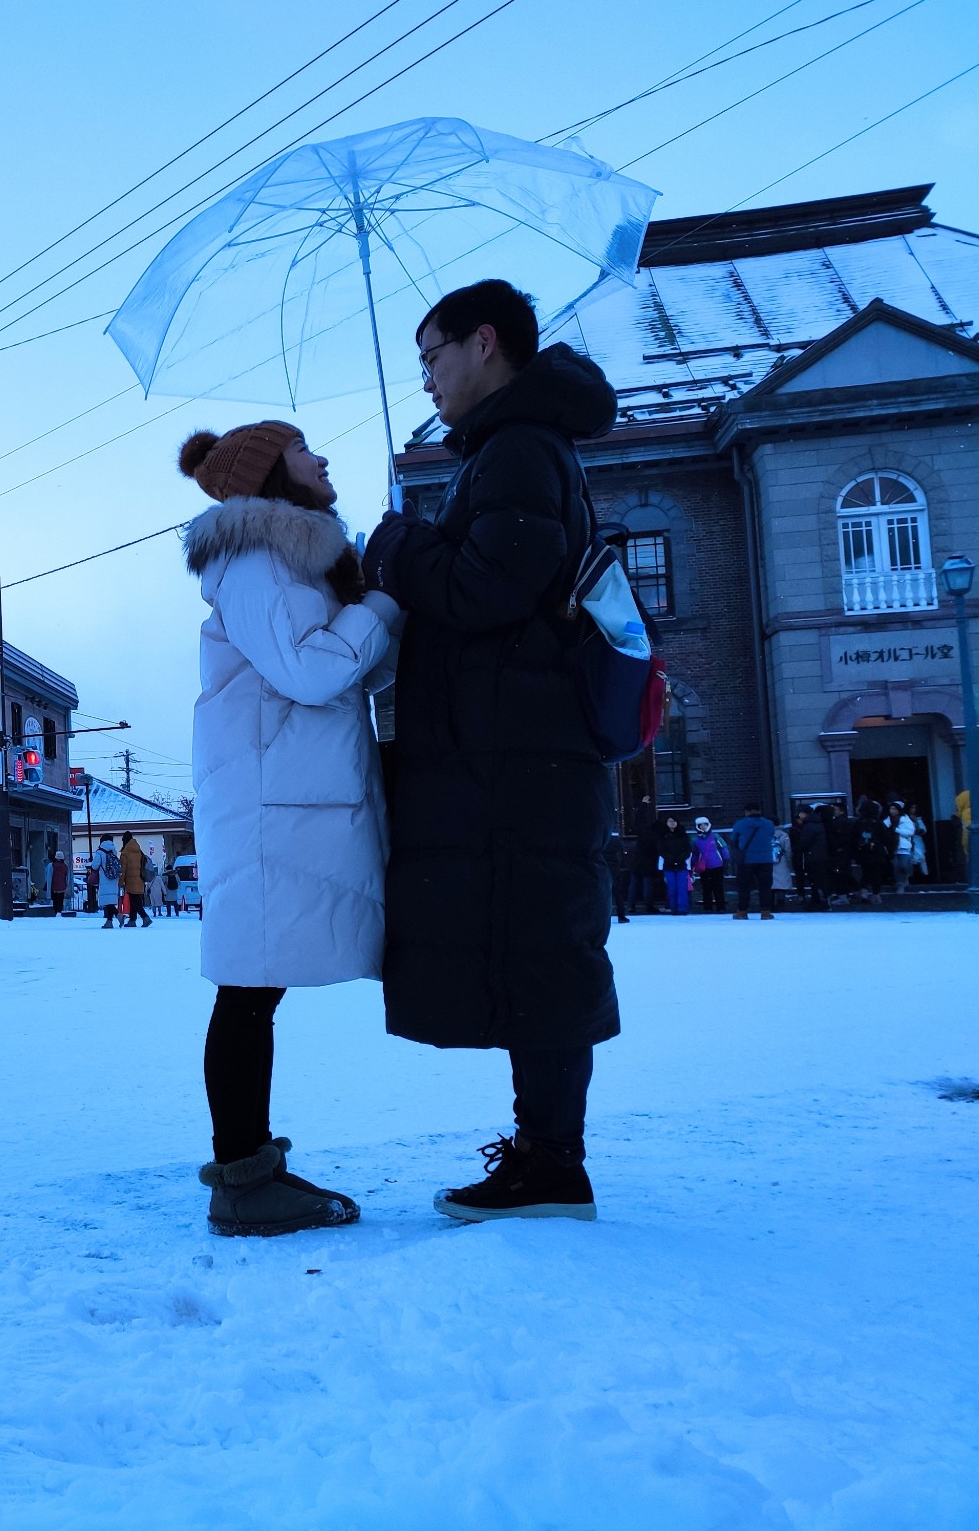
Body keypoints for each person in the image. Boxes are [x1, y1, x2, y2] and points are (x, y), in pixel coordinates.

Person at [361, 278, 619, 1222]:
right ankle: (545, 1151)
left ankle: (552, 1161)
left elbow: (488, 590)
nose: (425, 378)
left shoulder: (516, 448)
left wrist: (399, 547)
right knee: (530, 946)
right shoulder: (516, 445)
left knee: (540, 951)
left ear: (483, 343)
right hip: (520, 757)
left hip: (522, 763)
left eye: (431, 356)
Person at [181, 416, 397, 1235]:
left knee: (253, 993)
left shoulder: (290, 558)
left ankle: (248, 1171)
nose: (323, 457)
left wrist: (373, 598)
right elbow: (310, 670)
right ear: (272, 471)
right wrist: (377, 602)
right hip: (270, 807)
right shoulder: (253, 557)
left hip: (285, 797)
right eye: (305, 449)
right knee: (247, 992)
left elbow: (352, 668)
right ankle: (242, 1180)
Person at [728, 802, 777, 920]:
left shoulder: (740, 824)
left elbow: (733, 839)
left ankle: (742, 911)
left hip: (746, 860)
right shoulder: (769, 824)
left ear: (747, 812)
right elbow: (771, 835)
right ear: (759, 811)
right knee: (765, 885)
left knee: (744, 886)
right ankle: (765, 911)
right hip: (765, 859)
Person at [626, 792, 661, 914]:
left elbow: (639, 818)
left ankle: (631, 905)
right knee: (647, 883)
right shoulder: (656, 836)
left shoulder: (643, 831)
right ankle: (649, 905)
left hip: (638, 859)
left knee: (634, 883)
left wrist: (643, 805)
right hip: (650, 861)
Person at [690, 815, 729, 914]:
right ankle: (708, 907)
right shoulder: (695, 840)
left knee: (718, 886)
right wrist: (693, 864)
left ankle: (721, 906)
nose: (703, 826)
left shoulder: (715, 836)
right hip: (704, 867)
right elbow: (694, 853)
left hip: (717, 865)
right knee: (706, 887)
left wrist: (726, 859)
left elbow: (723, 847)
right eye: (700, 825)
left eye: (705, 824)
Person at [659, 814, 692, 914]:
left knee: (682, 887)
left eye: (674, 821)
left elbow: (687, 850)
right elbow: (661, 850)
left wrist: (679, 858)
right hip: (669, 865)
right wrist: (671, 859)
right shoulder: (663, 836)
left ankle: (682, 908)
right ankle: (673, 907)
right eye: (670, 821)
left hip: (681, 865)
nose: (672, 823)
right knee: (672, 888)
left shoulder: (683, 835)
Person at [121, 833, 153, 927]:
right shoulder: (138, 850)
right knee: (134, 899)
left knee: (135, 901)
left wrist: (120, 881)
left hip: (130, 879)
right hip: (140, 878)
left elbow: (123, 869)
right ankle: (132, 920)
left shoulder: (125, 852)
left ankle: (145, 917)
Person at [888, 803, 917, 892]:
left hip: (904, 847)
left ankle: (906, 878)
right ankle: (900, 884)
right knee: (896, 867)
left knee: (904, 865)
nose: (892, 811)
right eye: (891, 809)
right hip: (894, 847)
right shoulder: (888, 820)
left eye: (894, 809)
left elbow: (910, 832)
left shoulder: (905, 819)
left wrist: (896, 830)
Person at [98, 842, 121, 929]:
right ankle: (110, 921)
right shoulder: (113, 852)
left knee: (107, 902)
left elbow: (95, 865)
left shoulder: (100, 853)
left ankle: (118, 916)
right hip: (114, 879)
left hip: (104, 879)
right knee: (110, 901)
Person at [49, 850, 69, 915]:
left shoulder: (51, 865)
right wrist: (66, 884)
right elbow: (67, 876)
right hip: (62, 886)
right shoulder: (65, 866)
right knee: (61, 899)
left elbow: (49, 876)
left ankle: (55, 911)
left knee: (55, 899)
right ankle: (59, 910)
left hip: (53, 886)